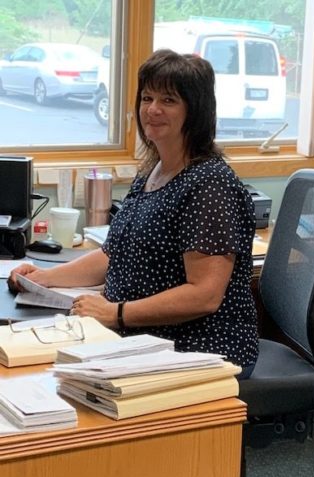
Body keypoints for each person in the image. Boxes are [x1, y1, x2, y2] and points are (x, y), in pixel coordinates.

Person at [9, 49, 259, 377]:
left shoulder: (209, 184)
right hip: (140, 335)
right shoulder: (152, 170)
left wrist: (117, 313)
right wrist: (43, 279)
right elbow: (114, 254)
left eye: (168, 100)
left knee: (48, 376)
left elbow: (205, 295)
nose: (152, 110)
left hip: (197, 348)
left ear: (194, 111)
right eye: (147, 97)